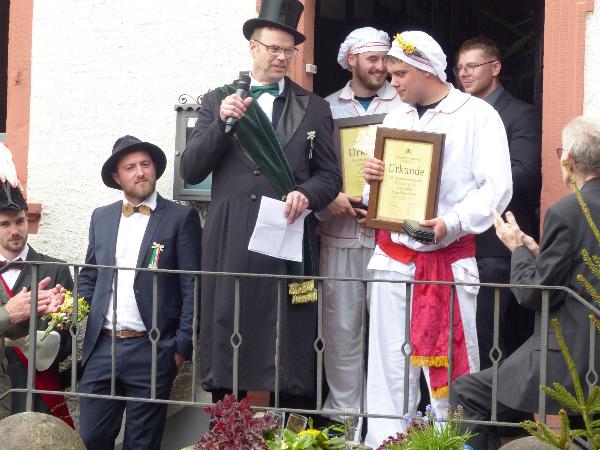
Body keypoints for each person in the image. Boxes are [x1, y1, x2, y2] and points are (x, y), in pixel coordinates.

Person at [180, 0, 341, 410]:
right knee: (228, 326)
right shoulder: (217, 99)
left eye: (289, 50)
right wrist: (222, 123)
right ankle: (225, 429)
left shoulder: (314, 107)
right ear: (253, 47)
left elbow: (329, 176)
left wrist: (308, 194)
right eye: (273, 48)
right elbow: (191, 168)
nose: (282, 57)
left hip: (286, 236)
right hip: (231, 236)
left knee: (285, 336)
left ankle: (285, 430)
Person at [361, 31, 512, 447]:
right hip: (392, 259)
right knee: (388, 366)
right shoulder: (395, 119)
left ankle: (453, 444)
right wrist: (371, 182)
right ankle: (385, 443)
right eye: (390, 74)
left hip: (446, 260)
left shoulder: (477, 116)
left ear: (426, 69)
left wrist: (452, 221)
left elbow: (497, 187)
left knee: (452, 369)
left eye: (400, 74)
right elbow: (377, 200)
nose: (392, 82)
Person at [452, 116, 600, 450]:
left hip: (570, 357)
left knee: (467, 393)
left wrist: (517, 249)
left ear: (569, 160)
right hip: (590, 355)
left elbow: (534, 293)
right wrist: (536, 252)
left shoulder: (567, 211)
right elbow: (578, 268)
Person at [77, 135, 202, 450]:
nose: (140, 172)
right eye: (130, 167)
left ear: (155, 169)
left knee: (142, 443)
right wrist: (74, 312)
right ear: (117, 177)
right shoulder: (101, 217)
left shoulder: (180, 218)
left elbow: (192, 284)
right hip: (102, 347)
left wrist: (181, 345)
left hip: (153, 348)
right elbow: (90, 273)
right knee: (91, 438)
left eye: (145, 164)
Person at [320, 26, 402, 416]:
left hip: (393, 239)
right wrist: (328, 199)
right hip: (339, 235)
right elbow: (311, 168)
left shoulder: (405, 104)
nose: (381, 67)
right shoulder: (325, 107)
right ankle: (344, 419)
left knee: (393, 334)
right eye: (373, 59)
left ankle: (389, 423)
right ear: (352, 60)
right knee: (341, 331)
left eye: (386, 59)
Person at [455, 36, 541, 369]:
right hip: (456, 242)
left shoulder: (520, 114)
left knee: (492, 338)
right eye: (460, 68)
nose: (464, 73)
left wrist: (467, 181)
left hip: (497, 248)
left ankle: (496, 403)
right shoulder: (455, 114)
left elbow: (526, 173)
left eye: (472, 66)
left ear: (495, 68)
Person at [0, 172, 65, 419]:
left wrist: (47, 337)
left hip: (37, 388)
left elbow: (69, 339)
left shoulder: (56, 270)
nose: (14, 230)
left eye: (20, 221)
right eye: (4, 224)